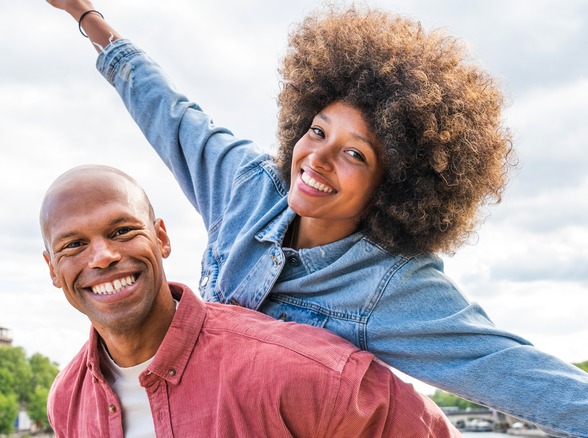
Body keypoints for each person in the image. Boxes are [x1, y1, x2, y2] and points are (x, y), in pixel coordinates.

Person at [42, 1, 588, 436]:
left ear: (393, 185)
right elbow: (170, 114)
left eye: (357, 154)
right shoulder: (248, 187)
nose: (318, 160)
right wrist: (86, 17)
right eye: (319, 131)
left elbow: (524, 378)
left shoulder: (393, 286)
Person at [40, 164, 459, 437]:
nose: (103, 256)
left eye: (121, 231)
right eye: (73, 245)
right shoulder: (66, 399)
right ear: (53, 270)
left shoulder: (302, 372)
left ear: (161, 238)